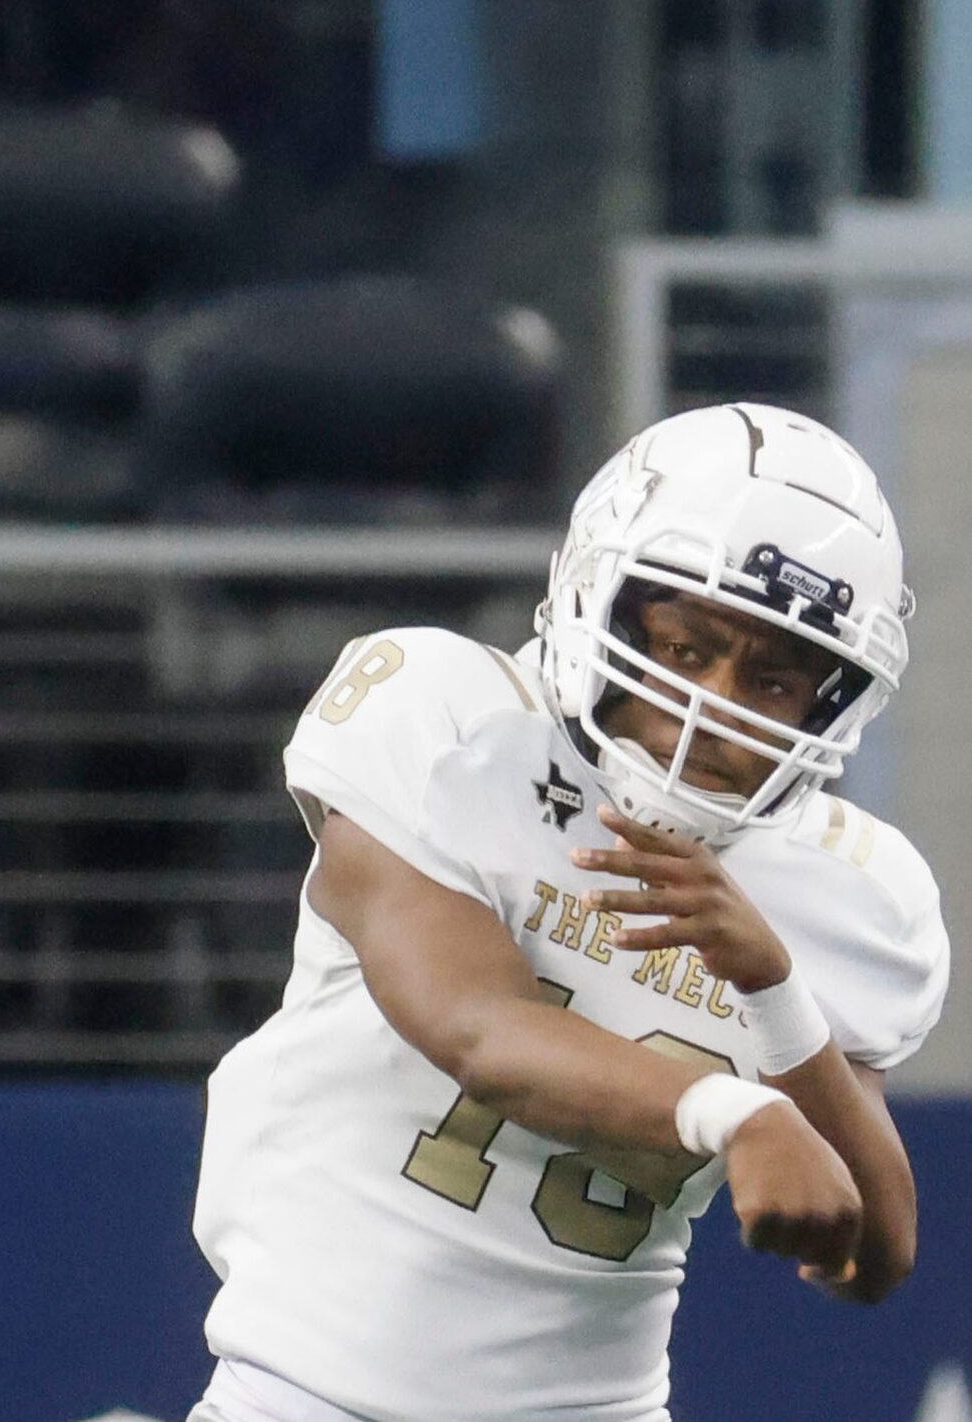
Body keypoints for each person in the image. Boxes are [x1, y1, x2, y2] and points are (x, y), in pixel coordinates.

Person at [189, 402, 950, 1422]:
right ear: (600, 597)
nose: (710, 705)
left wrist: (773, 991)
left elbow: (870, 1256)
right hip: (304, 1398)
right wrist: (737, 1110)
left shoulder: (851, 889)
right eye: (683, 647)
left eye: (769, 678)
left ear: (828, 702)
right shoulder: (449, 716)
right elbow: (475, 1027)